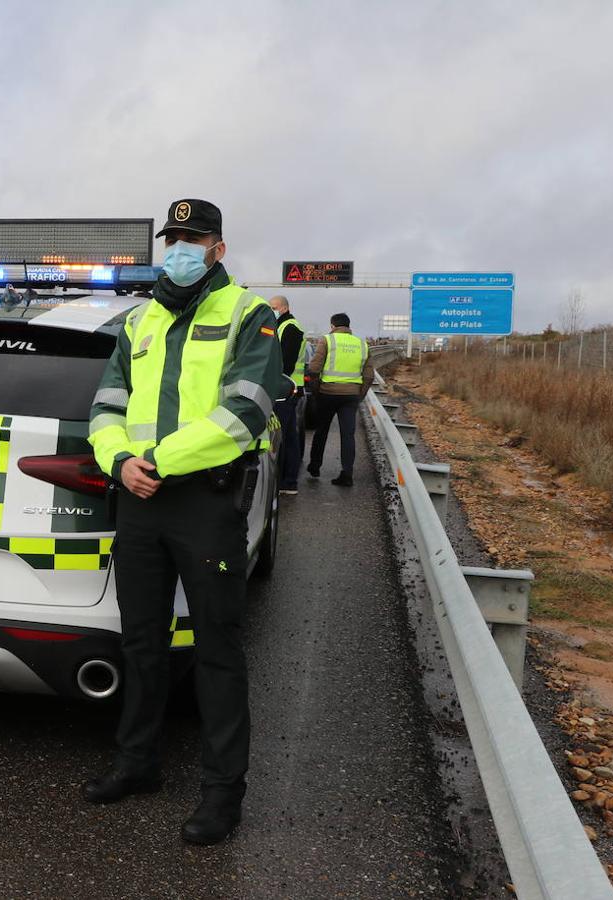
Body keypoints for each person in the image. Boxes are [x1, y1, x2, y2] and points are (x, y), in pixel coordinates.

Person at [86, 198, 290, 845]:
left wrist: (157, 459)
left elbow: (248, 410)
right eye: (172, 236)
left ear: (218, 248)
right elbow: (104, 405)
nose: (180, 246)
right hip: (138, 500)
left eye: (193, 237)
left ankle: (222, 793)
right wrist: (118, 461)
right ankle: (137, 763)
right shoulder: (138, 322)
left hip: (204, 501)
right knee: (142, 643)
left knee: (216, 651)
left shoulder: (247, 314)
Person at [305, 313, 374, 487]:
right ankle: (347, 474)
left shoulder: (327, 340)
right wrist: (359, 396)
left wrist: (316, 390)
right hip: (350, 396)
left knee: (321, 431)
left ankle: (315, 466)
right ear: (349, 327)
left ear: (332, 326)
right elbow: (369, 376)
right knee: (348, 435)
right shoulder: (362, 344)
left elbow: (313, 368)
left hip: (327, 393)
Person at [268, 296, 305, 494]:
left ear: (284, 308)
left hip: (286, 390)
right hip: (286, 389)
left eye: (274, 307)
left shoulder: (289, 327)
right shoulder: (280, 326)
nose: (271, 310)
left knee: (284, 437)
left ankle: (288, 481)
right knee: (288, 435)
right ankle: (287, 481)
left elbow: (286, 364)